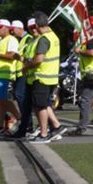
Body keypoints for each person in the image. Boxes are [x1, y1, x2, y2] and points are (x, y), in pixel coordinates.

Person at [25, 11, 64, 143]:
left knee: (40, 106)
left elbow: (39, 59)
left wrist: (26, 66)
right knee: (44, 104)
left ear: (36, 25)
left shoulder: (43, 39)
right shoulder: (53, 36)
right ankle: (56, 126)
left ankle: (43, 133)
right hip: (50, 76)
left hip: (41, 76)